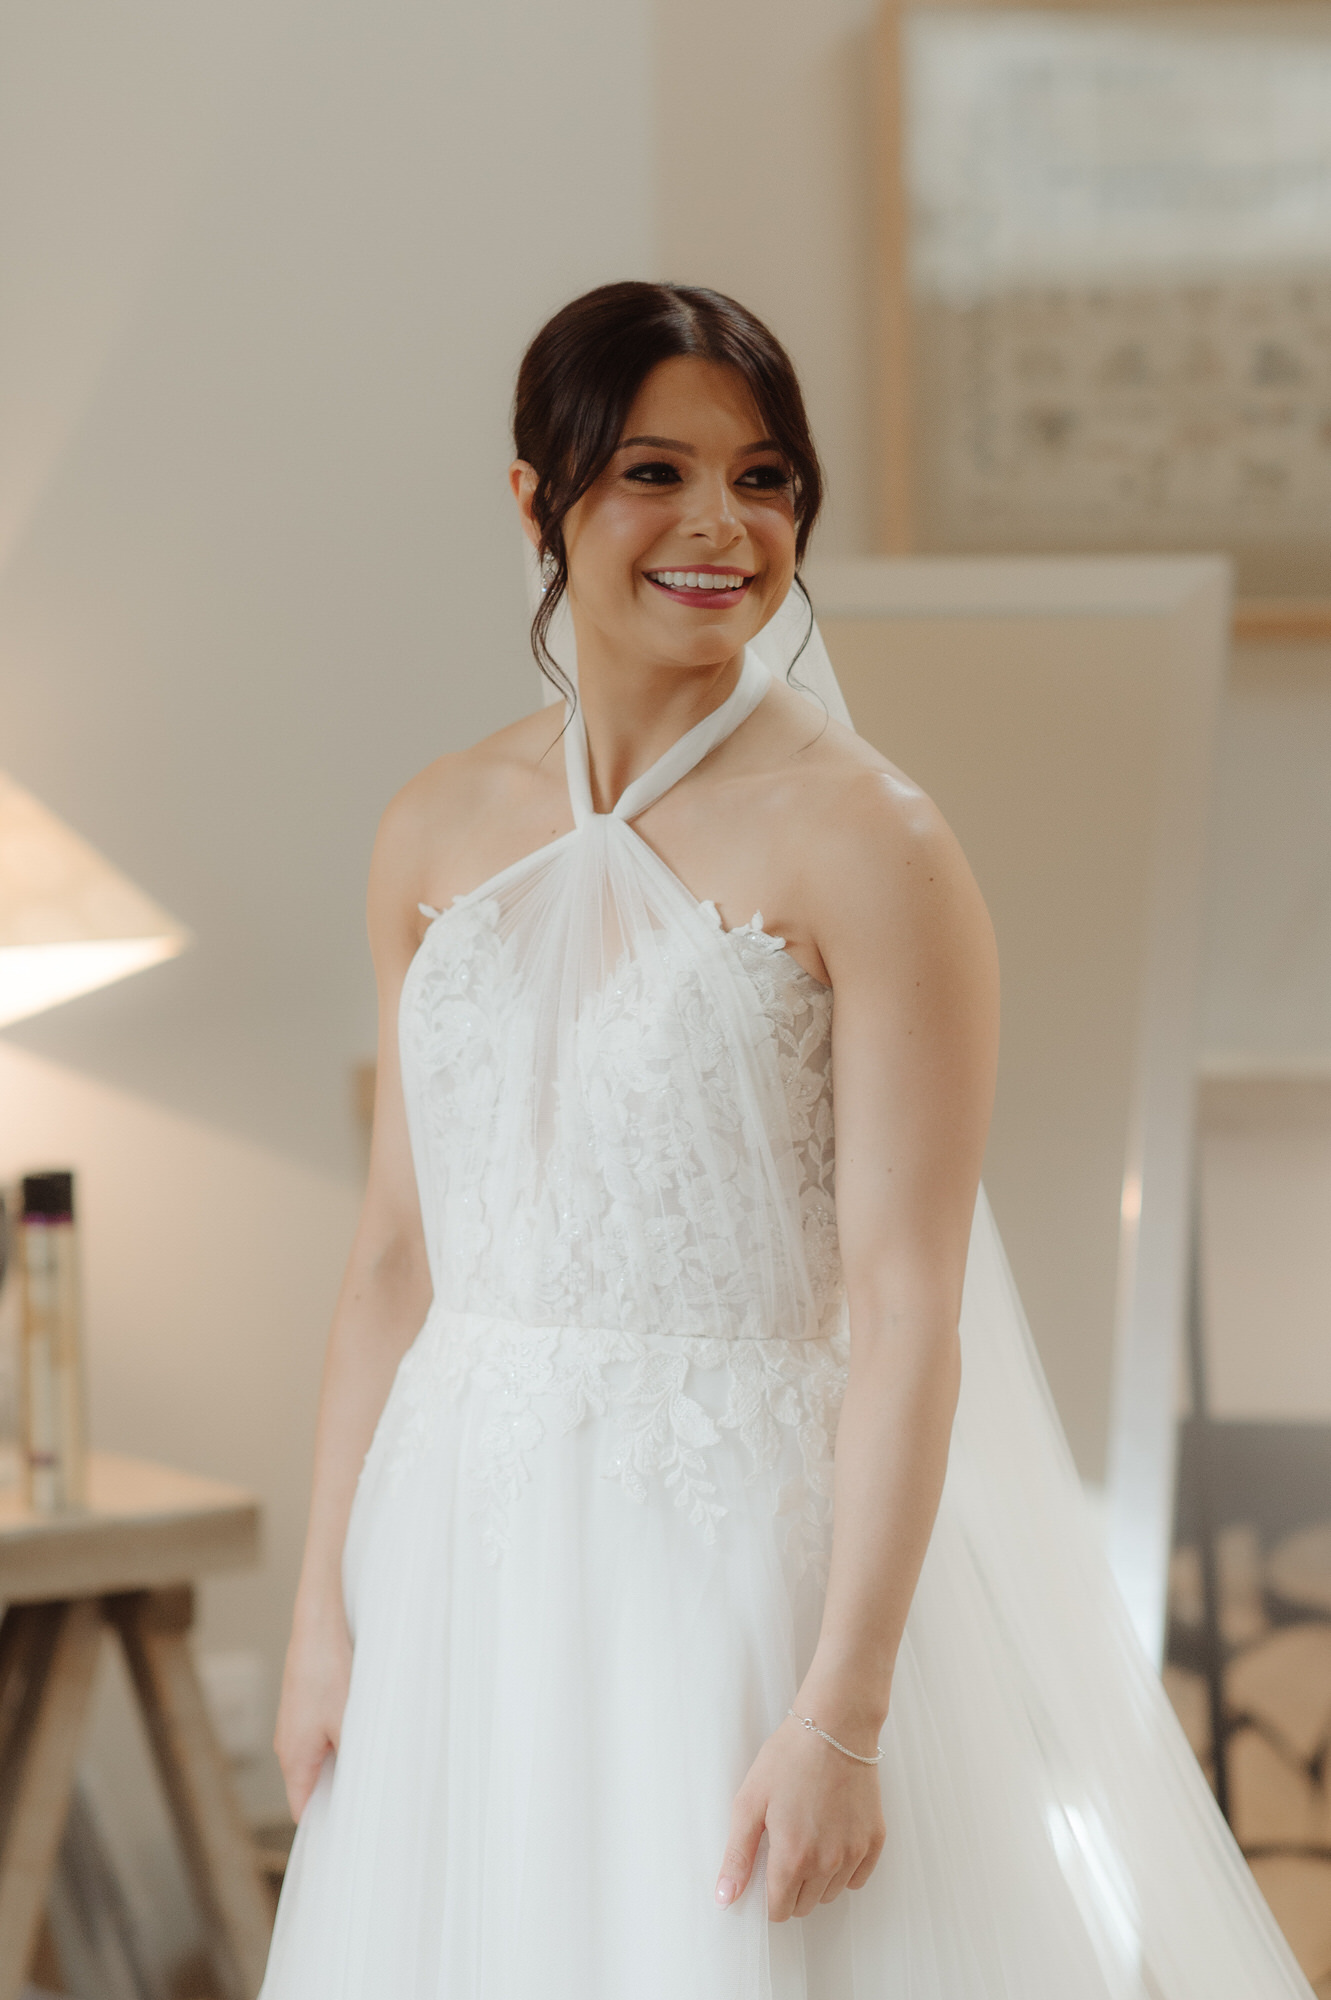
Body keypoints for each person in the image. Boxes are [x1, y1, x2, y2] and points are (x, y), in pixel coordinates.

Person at [259, 283, 1312, 1998]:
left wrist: (843, 1713)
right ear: (537, 499)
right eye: (654, 474)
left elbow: (909, 1309)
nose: (718, 527)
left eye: (763, 478)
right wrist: (325, 1619)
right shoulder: (432, 827)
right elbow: (393, 1261)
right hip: (458, 1556)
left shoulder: (871, 846)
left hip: (732, 1570)